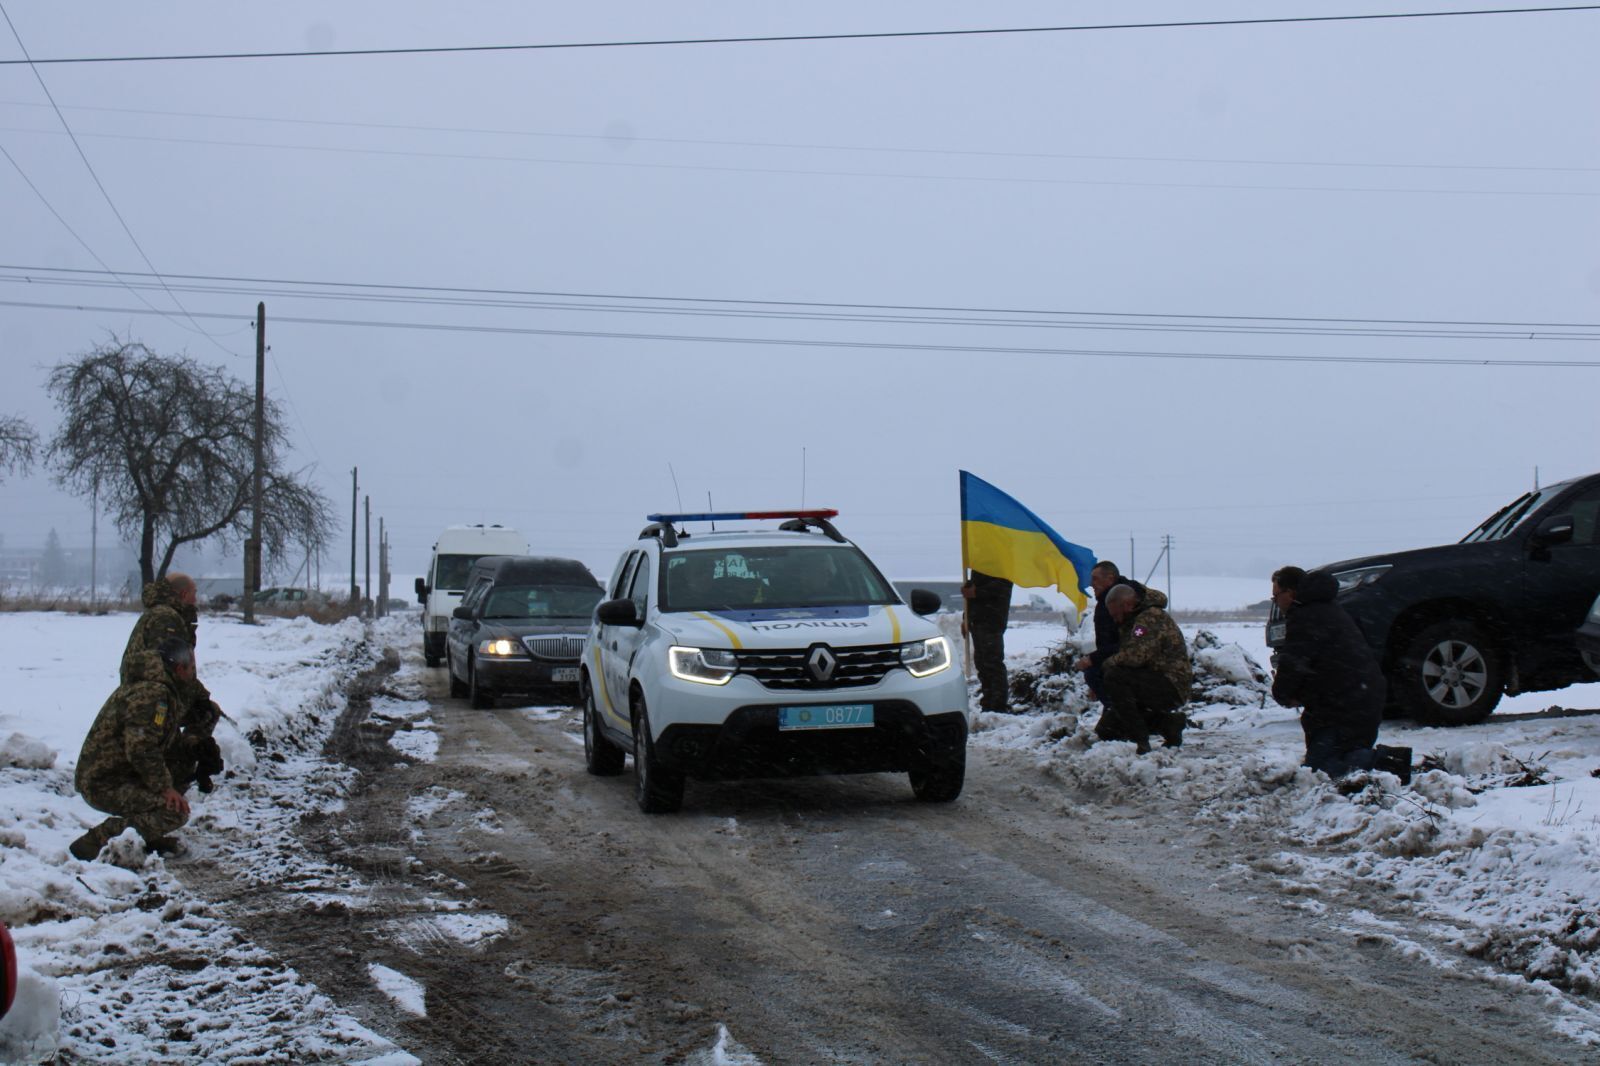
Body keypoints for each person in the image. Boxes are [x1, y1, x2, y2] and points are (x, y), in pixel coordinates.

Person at [70, 639, 205, 860]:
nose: (193, 675)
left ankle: (146, 838)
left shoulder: (157, 687)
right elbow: (141, 747)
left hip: (120, 774)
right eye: (192, 669)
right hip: (104, 782)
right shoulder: (153, 695)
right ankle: (99, 840)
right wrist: (164, 788)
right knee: (175, 812)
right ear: (180, 669)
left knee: (179, 777)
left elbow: (157, 740)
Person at [1270, 567, 1390, 779]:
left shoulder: (1306, 617)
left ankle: (1389, 765)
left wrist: (1282, 694)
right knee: (1343, 757)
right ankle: (1378, 767)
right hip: (1361, 702)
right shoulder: (1330, 610)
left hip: (1344, 708)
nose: (1276, 601)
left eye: (1276, 595)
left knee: (1323, 770)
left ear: (1290, 593)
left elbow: (1294, 663)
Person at [121, 572, 224, 791]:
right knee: (204, 714)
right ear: (184, 593)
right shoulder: (166, 619)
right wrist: (199, 699)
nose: (196, 599)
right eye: (194, 593)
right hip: (153, 700)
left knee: (200, 712)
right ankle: (177, 775)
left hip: (155, 695)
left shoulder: (163, 614)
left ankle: (178, 768)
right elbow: (171, 667)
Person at [1095, 583, 1192, 752]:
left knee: (1114, 675)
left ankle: (1141, 741)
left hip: (1170, 684)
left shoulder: (1149, 618)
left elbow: (1135, 657)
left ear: (1126, 605)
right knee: (1107, 729)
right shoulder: (1134, 619)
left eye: (1116, 614)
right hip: (1149, 680)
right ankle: (1169, 725)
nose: (1115, 620)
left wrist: (1105, 665)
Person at [1075, 561, 1148, 700]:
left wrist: (1093, 660)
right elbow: (1106, 641)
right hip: (1117, 663)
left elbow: (1130, 643)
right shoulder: (1105, 604)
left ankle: (1121, 714)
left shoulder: (1128, 603)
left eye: (1095, 579)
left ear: (1110, 578)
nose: (1091, 584)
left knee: (1096, 674)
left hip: (1138, 666)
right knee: (1096, 673)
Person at [962, 570, 1014, 712]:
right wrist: (965, 617)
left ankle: (998, 705)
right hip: (976, 620)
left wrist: (977, 592)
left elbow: (1001, 588)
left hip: (991, 621)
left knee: (993, 663)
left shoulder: (1001, 566)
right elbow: (969, 594)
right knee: (982, 664)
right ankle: (988, 702)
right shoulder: (978, 567)